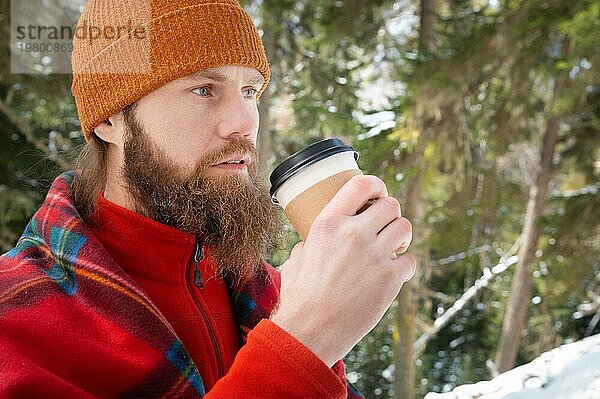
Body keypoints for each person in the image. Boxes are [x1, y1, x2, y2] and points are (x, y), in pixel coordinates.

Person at [0, 0, 416, 397]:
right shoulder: (17, 318)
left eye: (251, 91)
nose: (245, 123)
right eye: (204, 89)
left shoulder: (271, 293)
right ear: (111, 117)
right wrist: (301, 344)